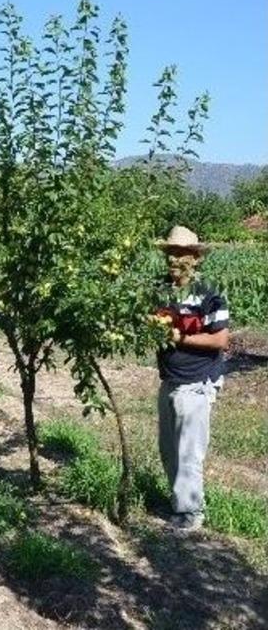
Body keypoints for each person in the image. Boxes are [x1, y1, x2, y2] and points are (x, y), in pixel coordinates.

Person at [153, 225, 229, 532]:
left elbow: (220, 341)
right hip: (169, 379)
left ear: (195, 258)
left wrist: (178, 337)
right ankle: (178, 503)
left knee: (189, 451)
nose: (175, 260)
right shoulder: (160, 290)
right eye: (171, 253)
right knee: (168, 449)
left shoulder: (210, 293)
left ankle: (190, 513)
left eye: (182, 254)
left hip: (197, 381)